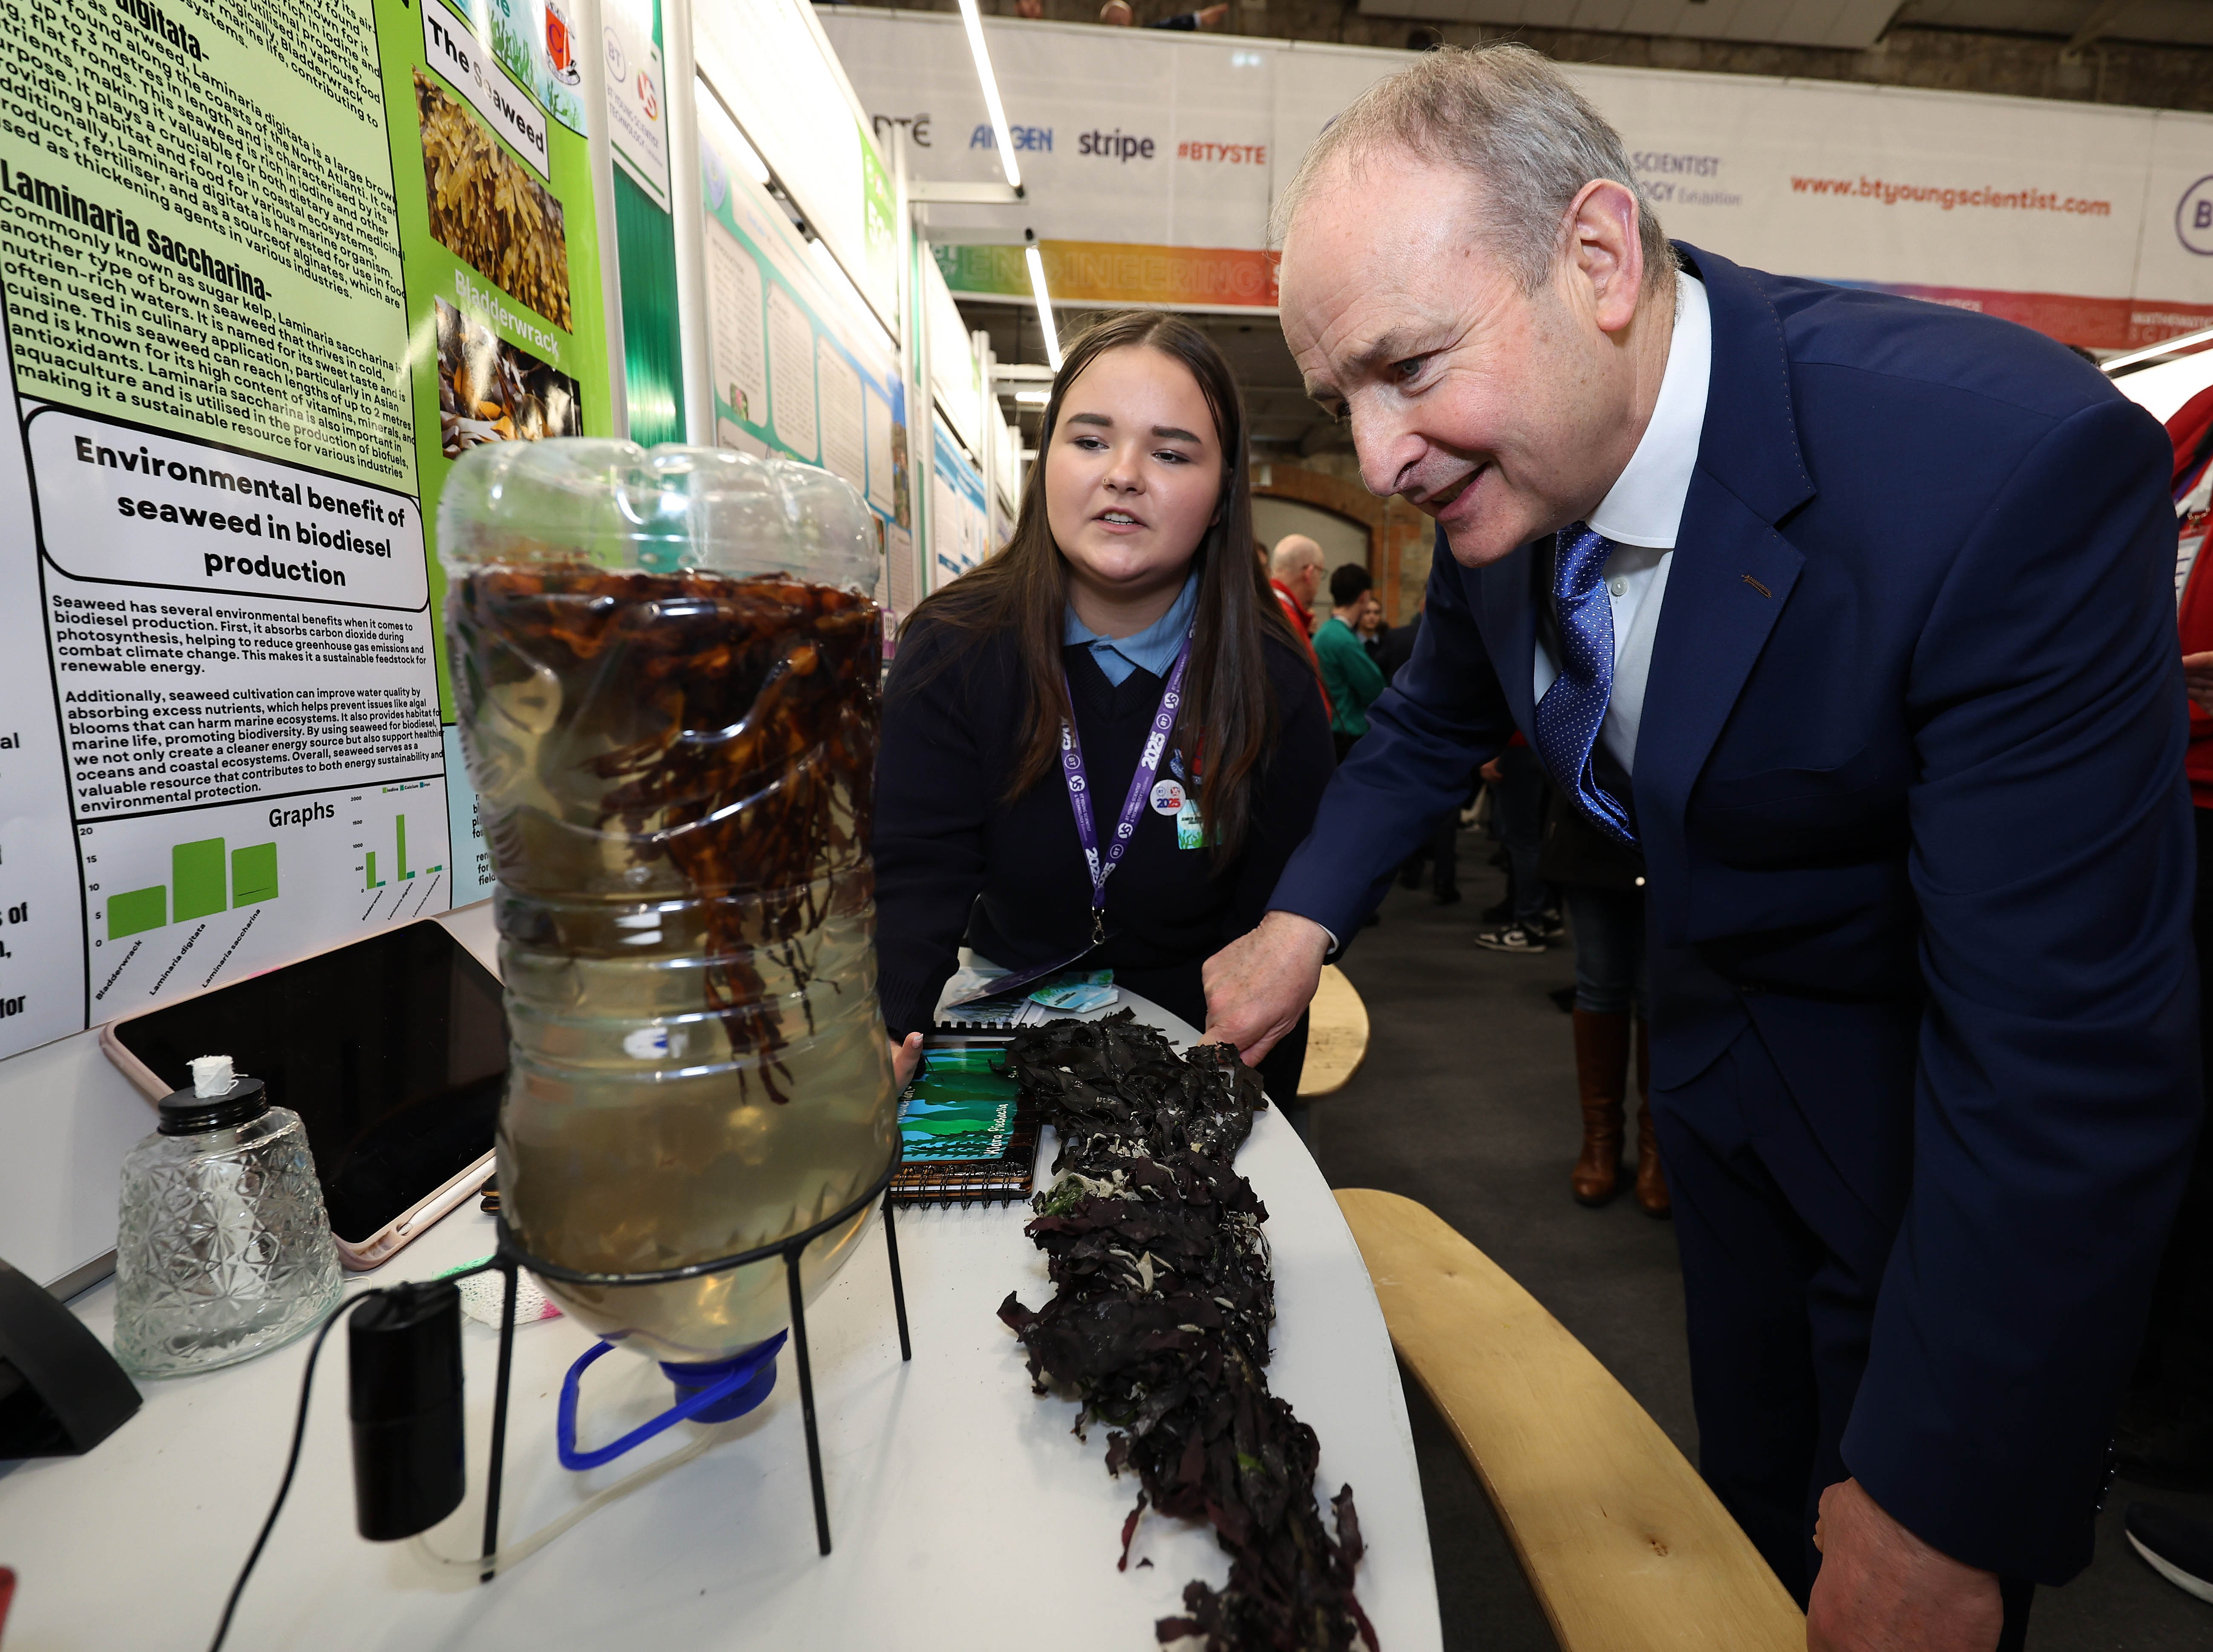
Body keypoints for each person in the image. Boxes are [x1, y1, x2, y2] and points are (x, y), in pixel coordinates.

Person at [1200, 44, 2198, 1650]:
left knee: (1891, 1575)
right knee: (1752, 1522)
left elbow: (2068, 1046)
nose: (1379, 455)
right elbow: (1432, 723)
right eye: (1341, 403)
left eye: (1411, 366)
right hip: (1715, 1092)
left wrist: (1944, 1495)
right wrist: (1302, 920)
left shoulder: (1996, 473)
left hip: (1924, 1151)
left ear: (1595, 258)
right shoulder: (1503, 488)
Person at [873, 311, 1333, 1118]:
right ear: (1046, 461)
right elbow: (917, 875)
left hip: (1195, 1047)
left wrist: (1226, 1107)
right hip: (1004, 1020)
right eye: (1090, 441)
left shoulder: (1270, 676)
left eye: (1169, 452)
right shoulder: (955, 647)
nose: (1124, 474)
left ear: (1224, 492)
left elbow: (1278, 929)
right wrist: (883, 1034)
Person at [1541, 801, 1663, 1214]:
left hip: (1670, 829)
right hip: (1591, 828)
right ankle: (1600, 1140)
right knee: (1598, 984)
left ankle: (1657, 1147)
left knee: (1657, 992)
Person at [1314, 563, 1387, 762]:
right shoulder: (1343, 639)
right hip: (1348, 731)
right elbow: (1373, 688)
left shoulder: (1325, 632)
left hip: (1330, 728)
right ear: (1364, 596)